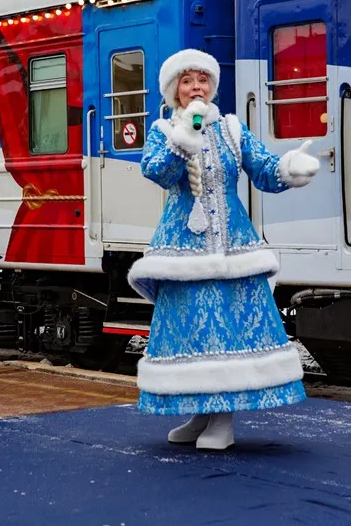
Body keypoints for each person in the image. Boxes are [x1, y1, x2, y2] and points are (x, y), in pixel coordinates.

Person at [127, 49, 320, 450]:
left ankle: (224, 420)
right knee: (195, 332)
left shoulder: (232, 128)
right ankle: (202, 414)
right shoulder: (163, 130)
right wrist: (185, 139)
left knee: (227, 331)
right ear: (174, 90)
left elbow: (263, 170)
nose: (196, 87)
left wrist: (289, 169)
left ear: (212, 86)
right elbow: (157, 172)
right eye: (187, 81)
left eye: (202, 80)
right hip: (185, 248)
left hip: (234, 245)